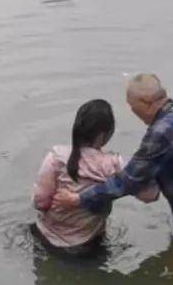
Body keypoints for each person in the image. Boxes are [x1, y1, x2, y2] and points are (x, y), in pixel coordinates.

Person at [53, 74, 173, 251]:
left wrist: (78, 199)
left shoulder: (161, 133)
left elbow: (128, 180)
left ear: (146, 103)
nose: (132, 112)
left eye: (132, 106)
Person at [32, 98, 159, 254]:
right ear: (102, 135)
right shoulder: (113, 165)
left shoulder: (55, 156)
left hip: (44, 238)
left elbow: (40, 203)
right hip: (86, 246)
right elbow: (149, 195)